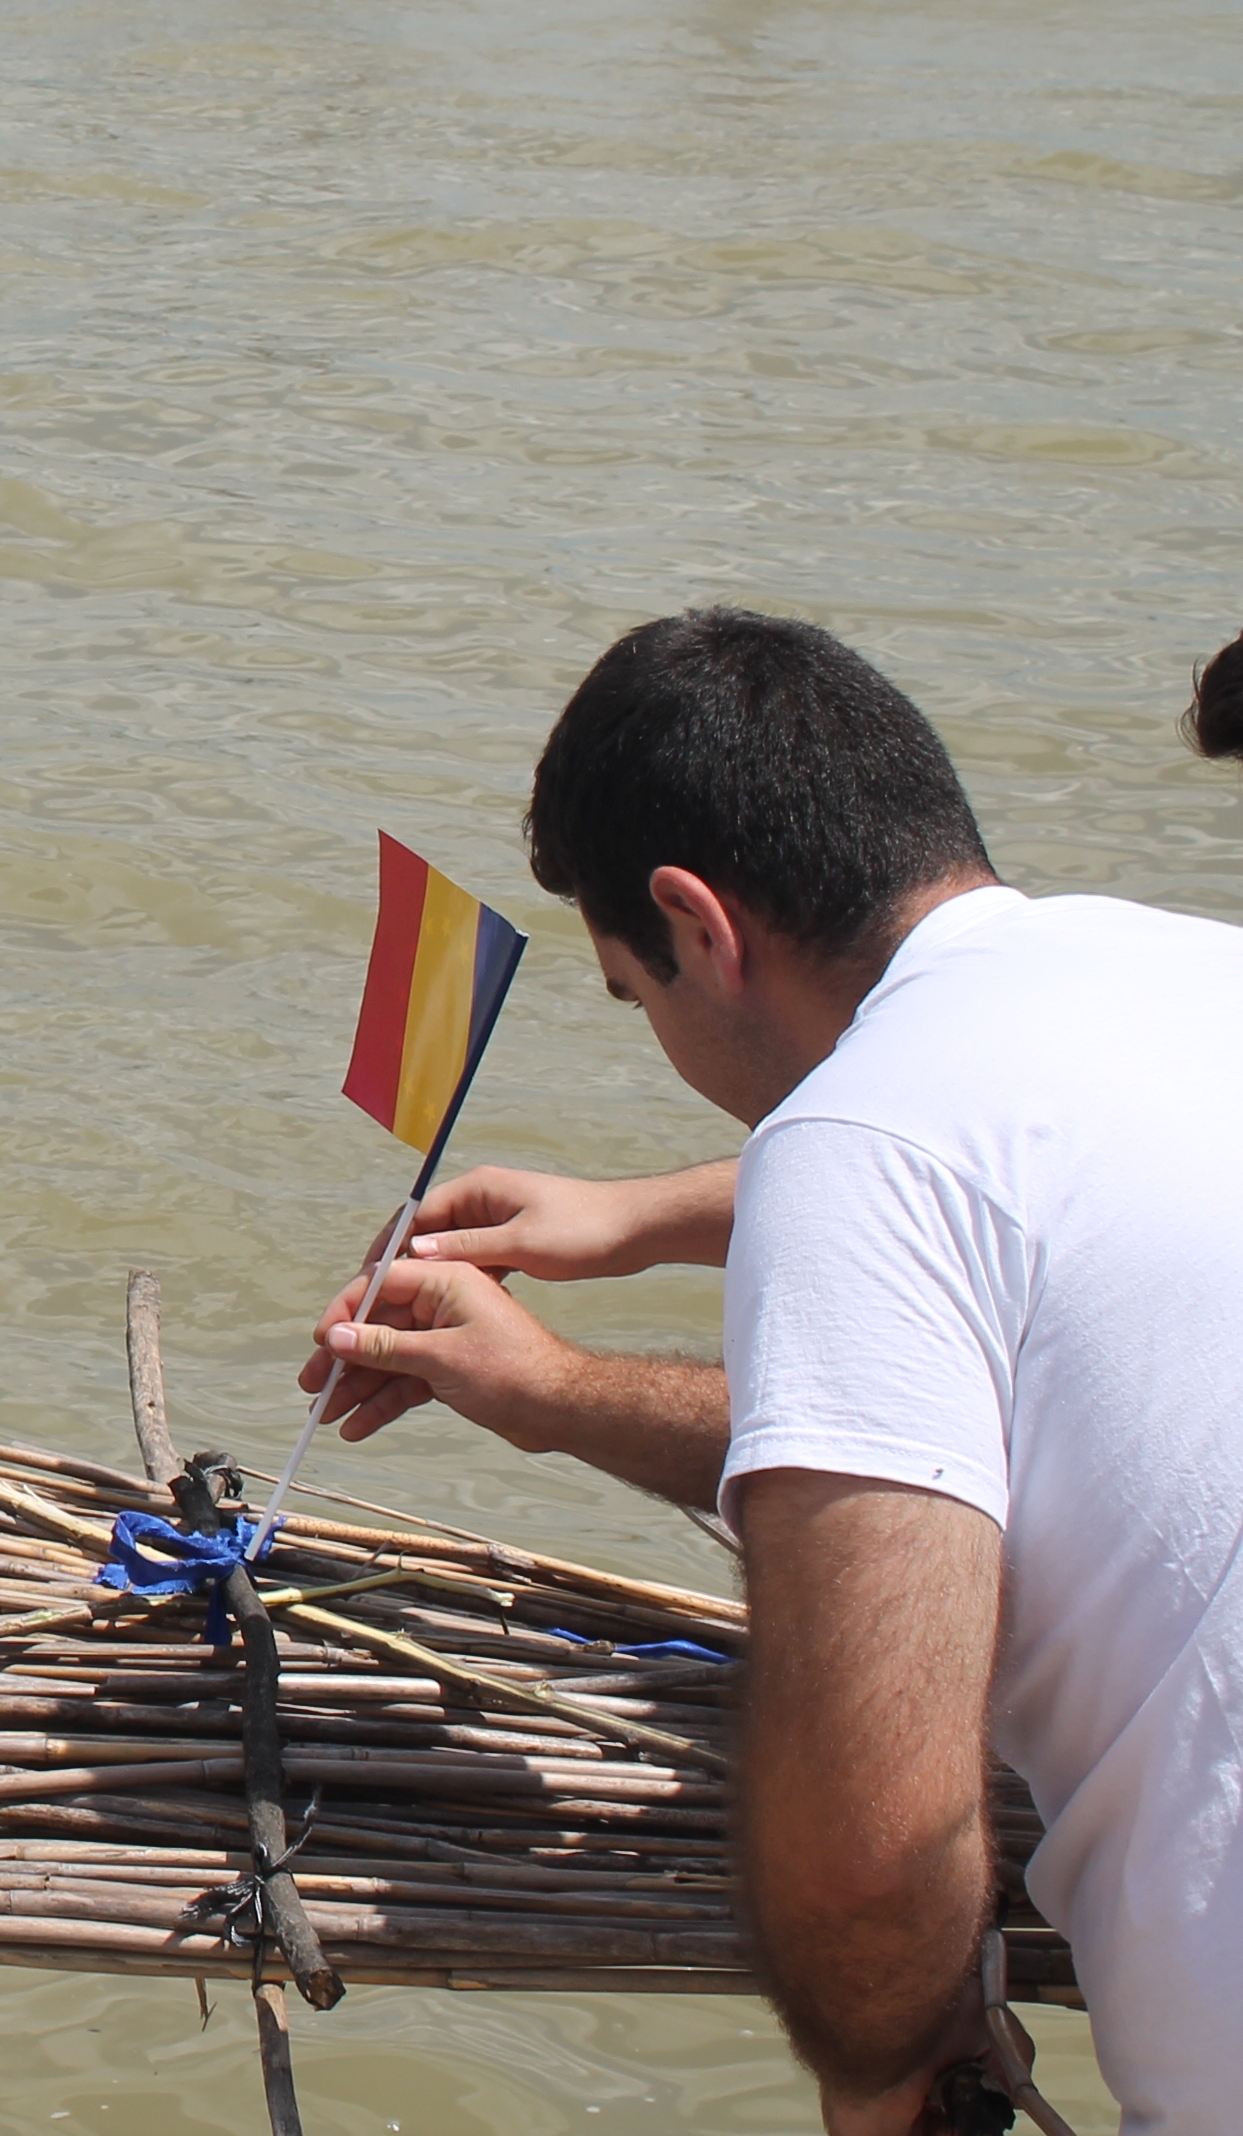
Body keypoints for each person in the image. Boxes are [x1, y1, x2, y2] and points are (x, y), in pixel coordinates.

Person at [299, 609, 1243, 2128]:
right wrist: (625, 1234)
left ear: (699, 927)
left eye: (635, 992)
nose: (658, 1031)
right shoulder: (1182, 973)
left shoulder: (857, 1148)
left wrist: (891, 2076)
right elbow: (1011, 1330)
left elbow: (878, 1846)